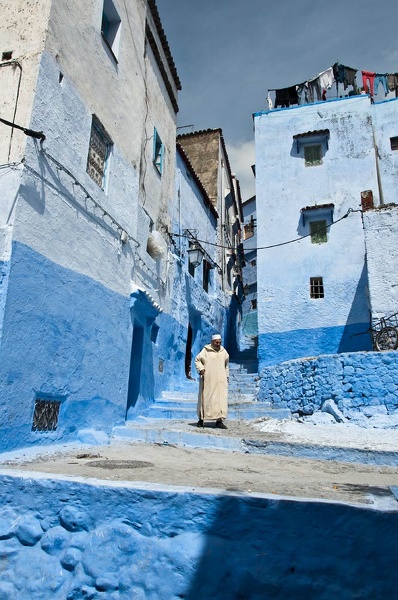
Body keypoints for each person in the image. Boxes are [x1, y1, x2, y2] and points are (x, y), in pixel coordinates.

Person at [194, 334, 229, 429]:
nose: (218, 344)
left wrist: (227, 376)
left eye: (219, 342)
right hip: (208, 379)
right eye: (216, 342)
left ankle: (219, 421)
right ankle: (201, 419)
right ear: (212, 342)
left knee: (221, 400)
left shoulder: (223, 352)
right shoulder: (205, 351)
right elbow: (197, 360)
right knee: (205, 398)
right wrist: (201, 369)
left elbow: (226, 365)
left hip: (221, 380)